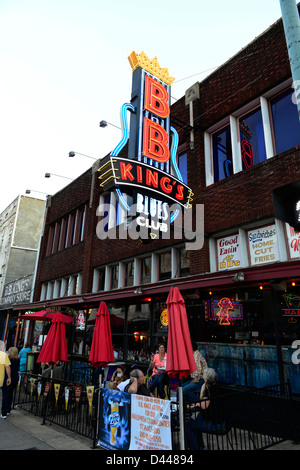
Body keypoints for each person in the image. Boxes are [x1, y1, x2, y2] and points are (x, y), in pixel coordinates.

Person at [186, 368, 229, 450]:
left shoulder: (208, 390)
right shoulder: (216, 387)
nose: (202, 376)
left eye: (203, 375)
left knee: (189, 425)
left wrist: (196, 404)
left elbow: (204, 406)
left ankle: (194, 448)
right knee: (195, 421)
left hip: (215, 424)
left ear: (206, 379)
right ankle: (200, 445)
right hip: (220, 421)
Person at [1, 347, 20, 418]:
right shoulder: (18, 360)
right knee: (10, 394)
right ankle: (8, 410)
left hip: (7, 379)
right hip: (15, 379)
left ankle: (4, 413)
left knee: (5, 395)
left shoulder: (7, 360)